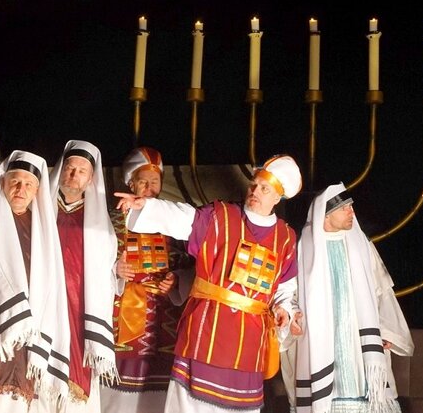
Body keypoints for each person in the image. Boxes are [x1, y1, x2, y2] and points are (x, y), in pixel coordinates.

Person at [115, 154, 304, 413]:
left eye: (264, 189)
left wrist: (284, 309)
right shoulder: (219, 216)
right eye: (254, 184)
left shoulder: (286, 238)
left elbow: (285, 287)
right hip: (205, 332)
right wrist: (146, 207)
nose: (254, 191)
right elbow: (184, 218)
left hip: (249, 343)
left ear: (277, 197)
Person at [290, 183, 414, 413]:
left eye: (351, 206)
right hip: (322, 341)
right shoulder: (304, 247)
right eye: (344, 208)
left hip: (359, 344)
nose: (352, 212)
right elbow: (291, 291)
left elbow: (381, 290)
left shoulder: (361, 244)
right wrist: (291, 316)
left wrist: (386, 330)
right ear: (326, 214)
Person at [0, 150, 70, 412]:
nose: (20, 189)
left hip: (30, 326)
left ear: (37, 190)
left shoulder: (42, 229)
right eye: (15, 181)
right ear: (3, 182)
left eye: (28, 184)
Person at [100, 146, 194, 413]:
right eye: (143, 181)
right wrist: (114, 269)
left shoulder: (173, 223)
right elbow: (91, 262)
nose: (150, 188)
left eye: (155, 181)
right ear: (130, 183)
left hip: (165, 322)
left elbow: (194, 265)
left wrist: (177, 280)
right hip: (121, 318)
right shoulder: (109, 220)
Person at [36, 140, 118, 413]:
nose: (74, 175)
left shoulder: (99, 223)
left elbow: (105, 269)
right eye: (70, 168)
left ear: (91, 178)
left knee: (76, 379)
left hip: (80, 306)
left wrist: (117, 272)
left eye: (82, 171)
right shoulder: (42, 209)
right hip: (46, 302)